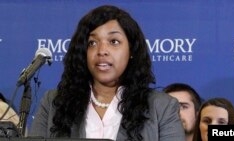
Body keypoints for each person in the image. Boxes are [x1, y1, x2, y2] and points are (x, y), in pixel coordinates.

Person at [29, 5, 185, 141]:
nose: (102, 51)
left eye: (114, 42)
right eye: (92, 43)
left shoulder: (162, 107)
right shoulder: (53, 103)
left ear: (131, 50)